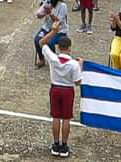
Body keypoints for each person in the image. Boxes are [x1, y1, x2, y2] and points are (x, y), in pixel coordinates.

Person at [39, 20, 82, 158]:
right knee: (66, 119)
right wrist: (80, 65)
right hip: (67, 91)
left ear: (58, 48)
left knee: (56, 117)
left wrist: (53, 31)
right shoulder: (74, 65)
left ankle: (55, 143)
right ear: (69, 48)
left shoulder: (53, 58)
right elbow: (78, 82)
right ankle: (64, 145)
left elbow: (42, 43)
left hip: (55, 89)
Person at [34, 0, 69, 68]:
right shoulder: (47, 2)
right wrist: (42, 13)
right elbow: (38, 14)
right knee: (36, 40)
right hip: (47, 27)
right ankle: (42, 59)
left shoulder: (62, 6)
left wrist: (50, 12)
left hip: (59, 30)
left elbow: (58, 21)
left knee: (50, 43)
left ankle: (53, 62)